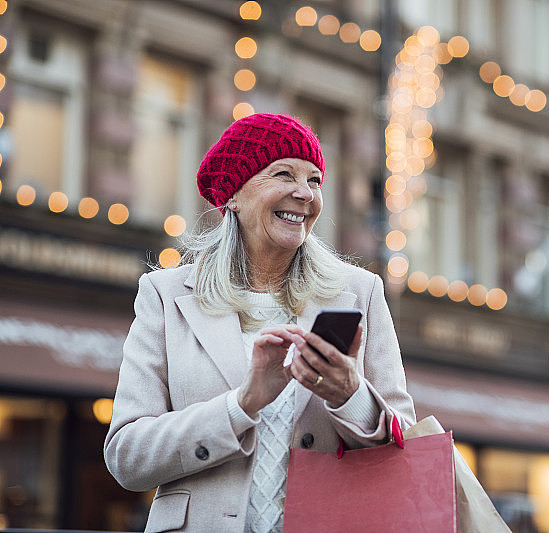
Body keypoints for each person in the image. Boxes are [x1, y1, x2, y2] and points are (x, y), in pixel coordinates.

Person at [104, 113, 416, 533]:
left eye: (315, 180)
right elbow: (127, 457)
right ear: (233, 195)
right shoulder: (166, 296)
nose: (304, 193)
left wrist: (350, 395)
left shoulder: (360, 293)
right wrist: (242, 404)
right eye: (284, 174)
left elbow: (405, 446)